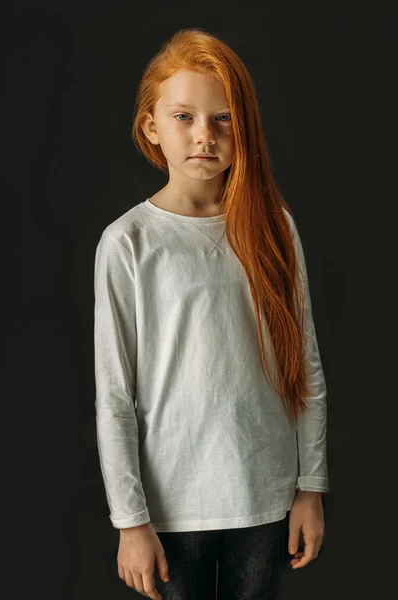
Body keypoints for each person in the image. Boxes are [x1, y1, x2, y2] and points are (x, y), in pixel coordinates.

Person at [93, 28, 330, 600]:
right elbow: (114, 394)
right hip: (173, 507)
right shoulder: (129, 242)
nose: (205, 135)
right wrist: (130, 520)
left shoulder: (273, 225)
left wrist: (310, 486)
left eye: (223, 118)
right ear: (153, 128)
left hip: (266, 495)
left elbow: (306, 367)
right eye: (184, 117)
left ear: (242, 125)